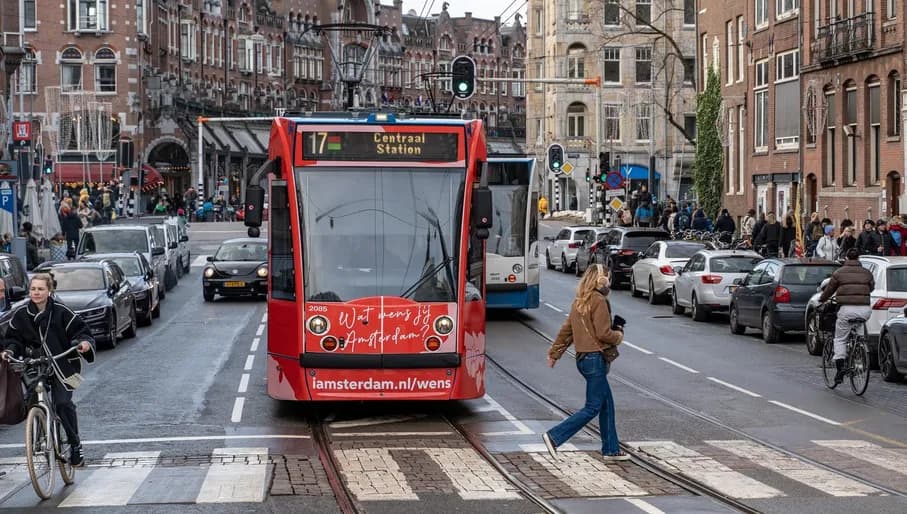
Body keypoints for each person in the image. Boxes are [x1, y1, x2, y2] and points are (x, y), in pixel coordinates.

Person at [1, 274, 95, 467]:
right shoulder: (20, 314)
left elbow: (81, 331)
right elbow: (12, 339)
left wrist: (83, 343)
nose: (36, 292)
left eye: (40, 289)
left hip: (62, 365)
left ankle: (75, 444)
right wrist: (9, 350)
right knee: (30, 400)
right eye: (33, 289)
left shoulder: (61, 311)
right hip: (34, 364)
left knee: (62, 404)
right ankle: (39, 427)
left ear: (49, 291)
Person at [543, 264, 629, 461]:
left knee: (606, 404)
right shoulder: (599, 300)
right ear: (600, 280)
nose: (608, 280)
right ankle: (555, 436)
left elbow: (567, 330)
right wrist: (619, 335)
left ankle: (611, 449)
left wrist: (554, 353)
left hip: (582, 359)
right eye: (606, 277)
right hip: (594, 359)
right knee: (593, 406)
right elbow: (603, 333)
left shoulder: (579, 301)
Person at [818, 248, 874, 386]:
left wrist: (822, 299)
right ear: (858, 258)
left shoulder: (839, 273)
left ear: (847, 258)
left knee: (840, 339)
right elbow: (871, 288)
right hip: (865, 310)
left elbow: (829, 289)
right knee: (859, 327)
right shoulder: (867, 273)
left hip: (846, 309)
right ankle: (859, 354)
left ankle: (840, 368)